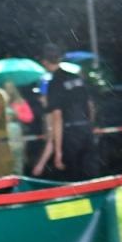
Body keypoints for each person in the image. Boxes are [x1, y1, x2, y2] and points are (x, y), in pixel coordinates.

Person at [34, 44, 98, 181]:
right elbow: (91, 105)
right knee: (91, 176)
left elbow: (57, 117)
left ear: (45, 62)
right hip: (86, 129)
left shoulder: (55, 82)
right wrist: (89, 127)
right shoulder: (77, 77)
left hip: (70, 133)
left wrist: (58, 151)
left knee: (73, 179)